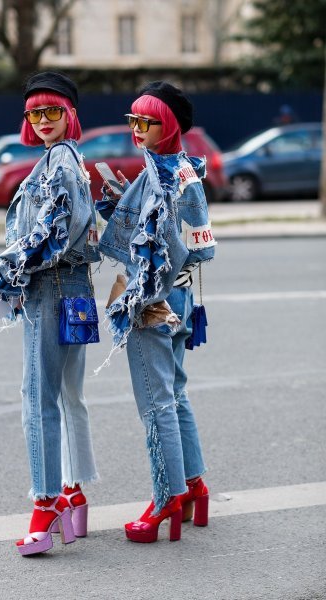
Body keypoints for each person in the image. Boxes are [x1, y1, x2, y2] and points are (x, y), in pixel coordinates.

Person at [0, 72, 100, 555]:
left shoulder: (59, 165)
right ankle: (73, 493)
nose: (44, 121)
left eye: (53, 111)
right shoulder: (72, 161)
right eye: (35, 113)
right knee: (68, 395)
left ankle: (46, 503)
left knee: (38, 399)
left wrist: (1, 270)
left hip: (49, 287)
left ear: (69, 113)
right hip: (74, 289)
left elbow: (52, 234)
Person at [96, 81, 216, 543]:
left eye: (145, 121)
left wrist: (145, 285)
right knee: (176, 393)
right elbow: (196, 244)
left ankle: (166, 497)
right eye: (133, 120)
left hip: (152, 302)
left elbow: (191, 246)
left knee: (156, 402)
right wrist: (122, 204)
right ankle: (194, 485)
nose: (136, 129)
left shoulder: (165, 175)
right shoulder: (182, 169)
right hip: (180, 300)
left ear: (165, 125)